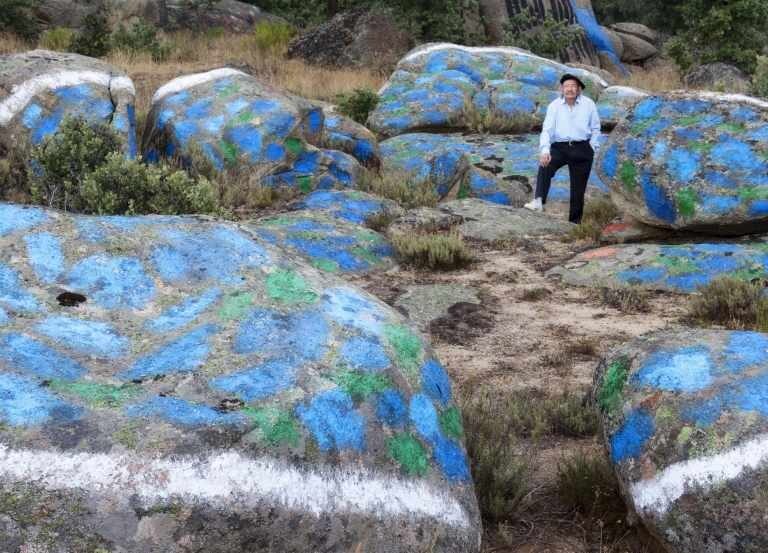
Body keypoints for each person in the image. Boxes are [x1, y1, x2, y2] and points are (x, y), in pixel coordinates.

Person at [524, 73, 601, 224]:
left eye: (573, 86)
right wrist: (545, 150)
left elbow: (596, 128)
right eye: (566, 86)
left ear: (579, 89)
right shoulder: (554, 106)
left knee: (578, 190)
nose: (569, 89)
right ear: (561, 89)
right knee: (545, 165)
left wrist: (592, 147)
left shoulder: (589, 104)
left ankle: (574, 224)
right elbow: (547, 130)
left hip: (582, 148)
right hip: (560, 147)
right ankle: (539, 200)